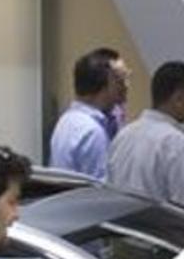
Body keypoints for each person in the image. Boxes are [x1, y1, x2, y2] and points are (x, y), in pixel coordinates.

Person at [108, 60, 184, 212]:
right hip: (160, 234)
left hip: (121, 230)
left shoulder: (123, 136)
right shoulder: (175, 143)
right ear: (178, 99)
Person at [49, 47, 130, 181]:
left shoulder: (68, 120)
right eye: (120, 79)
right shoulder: (92, 132)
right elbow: (101, 191)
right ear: (102, 84)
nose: (126, 85)